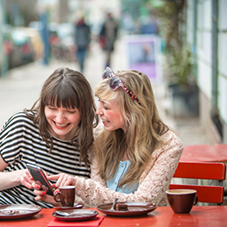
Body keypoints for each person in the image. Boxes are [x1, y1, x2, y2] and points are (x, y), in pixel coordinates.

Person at [34, 67, 184, 207]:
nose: (98, 111)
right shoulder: (100, 136)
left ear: (131, 111)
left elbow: (142, 202)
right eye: (99, 103)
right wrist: (64, 201)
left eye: (106, 107)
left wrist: (81, 185)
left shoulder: (167, 146)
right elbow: (99, 203)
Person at [0, 67, 99, 208]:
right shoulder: (23, 125)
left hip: (56, 219)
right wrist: (18, 176)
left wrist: (62, 200)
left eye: (70, 111)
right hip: (6, 211)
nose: (60, 119)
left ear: (83, 111)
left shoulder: (91, 142)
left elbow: (92, 201)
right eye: (52, 109)